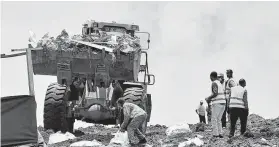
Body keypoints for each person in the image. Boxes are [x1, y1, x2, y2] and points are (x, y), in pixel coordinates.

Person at [205, 71, 226, 138]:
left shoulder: (214, 83)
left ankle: (215, 134)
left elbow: (215, 93)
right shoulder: (219, 83)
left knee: (214, 118)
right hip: (223, 103)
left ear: (212, 77)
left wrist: (208, 98)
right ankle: (220, 133)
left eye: (210, 77)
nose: (210, 79)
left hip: (217, 103)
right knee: (219, 119)